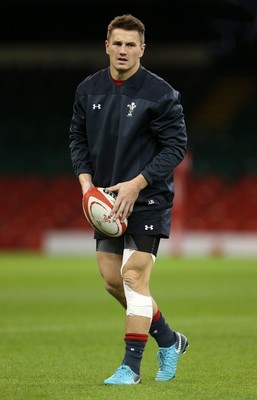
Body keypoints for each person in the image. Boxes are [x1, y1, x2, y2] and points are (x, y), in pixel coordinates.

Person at [69, 13, 188, 385]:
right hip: (106, 200)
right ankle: (170, 339)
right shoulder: (87, 90)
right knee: (111, 280)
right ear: (107, 45)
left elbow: (176, 147)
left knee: (133, 276)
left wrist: (137, 183)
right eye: (117, 43)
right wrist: (87, 186)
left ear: (142, 49)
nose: (123, 50)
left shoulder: (160, 94)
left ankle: (131, 368)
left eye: (130, 44)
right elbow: (78, 139)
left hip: (148, 197)